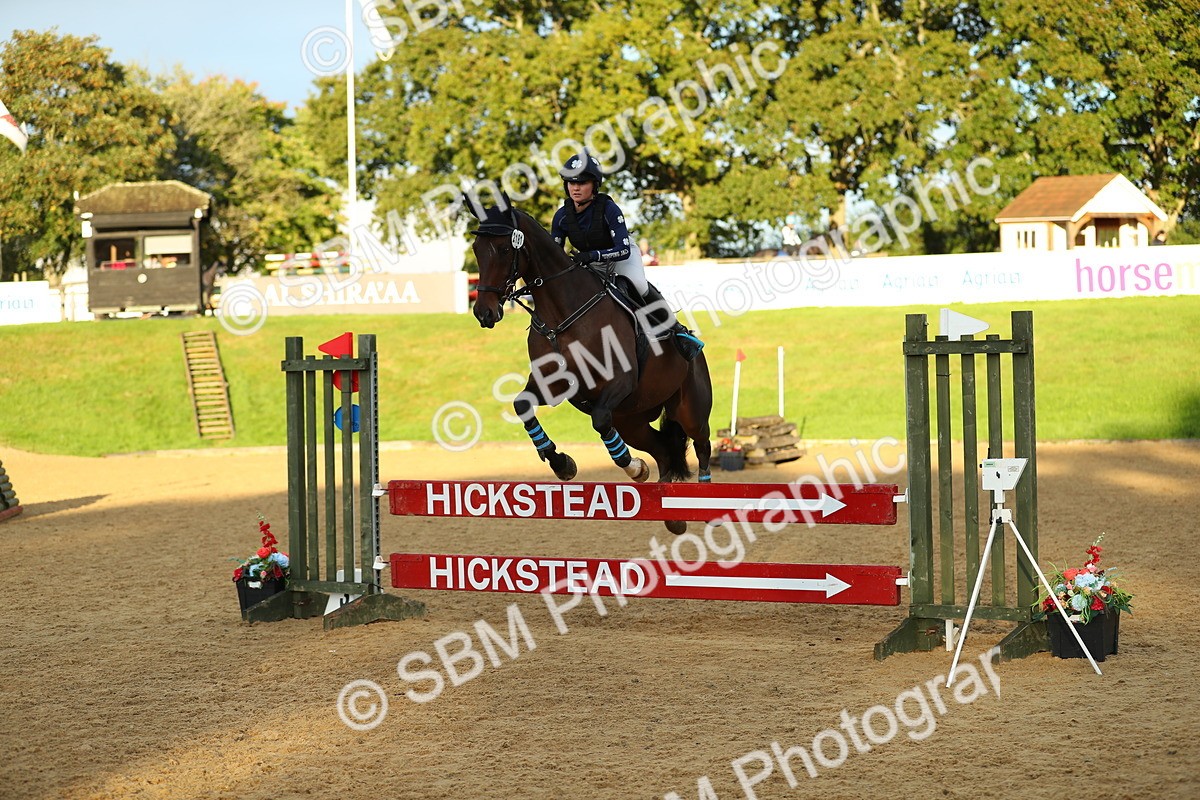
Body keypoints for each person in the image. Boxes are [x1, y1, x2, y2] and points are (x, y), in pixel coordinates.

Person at [550, 152, 703, 360]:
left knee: (638, 284)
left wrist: (592, 255)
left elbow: (622, 250)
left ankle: (679, 332)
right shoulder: (561, 217)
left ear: (594, 185)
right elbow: (554, 256)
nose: (575, 188)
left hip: (620, 258)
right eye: (570, 182)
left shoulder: (609, 209)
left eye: (582, 182)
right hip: (590, 264)